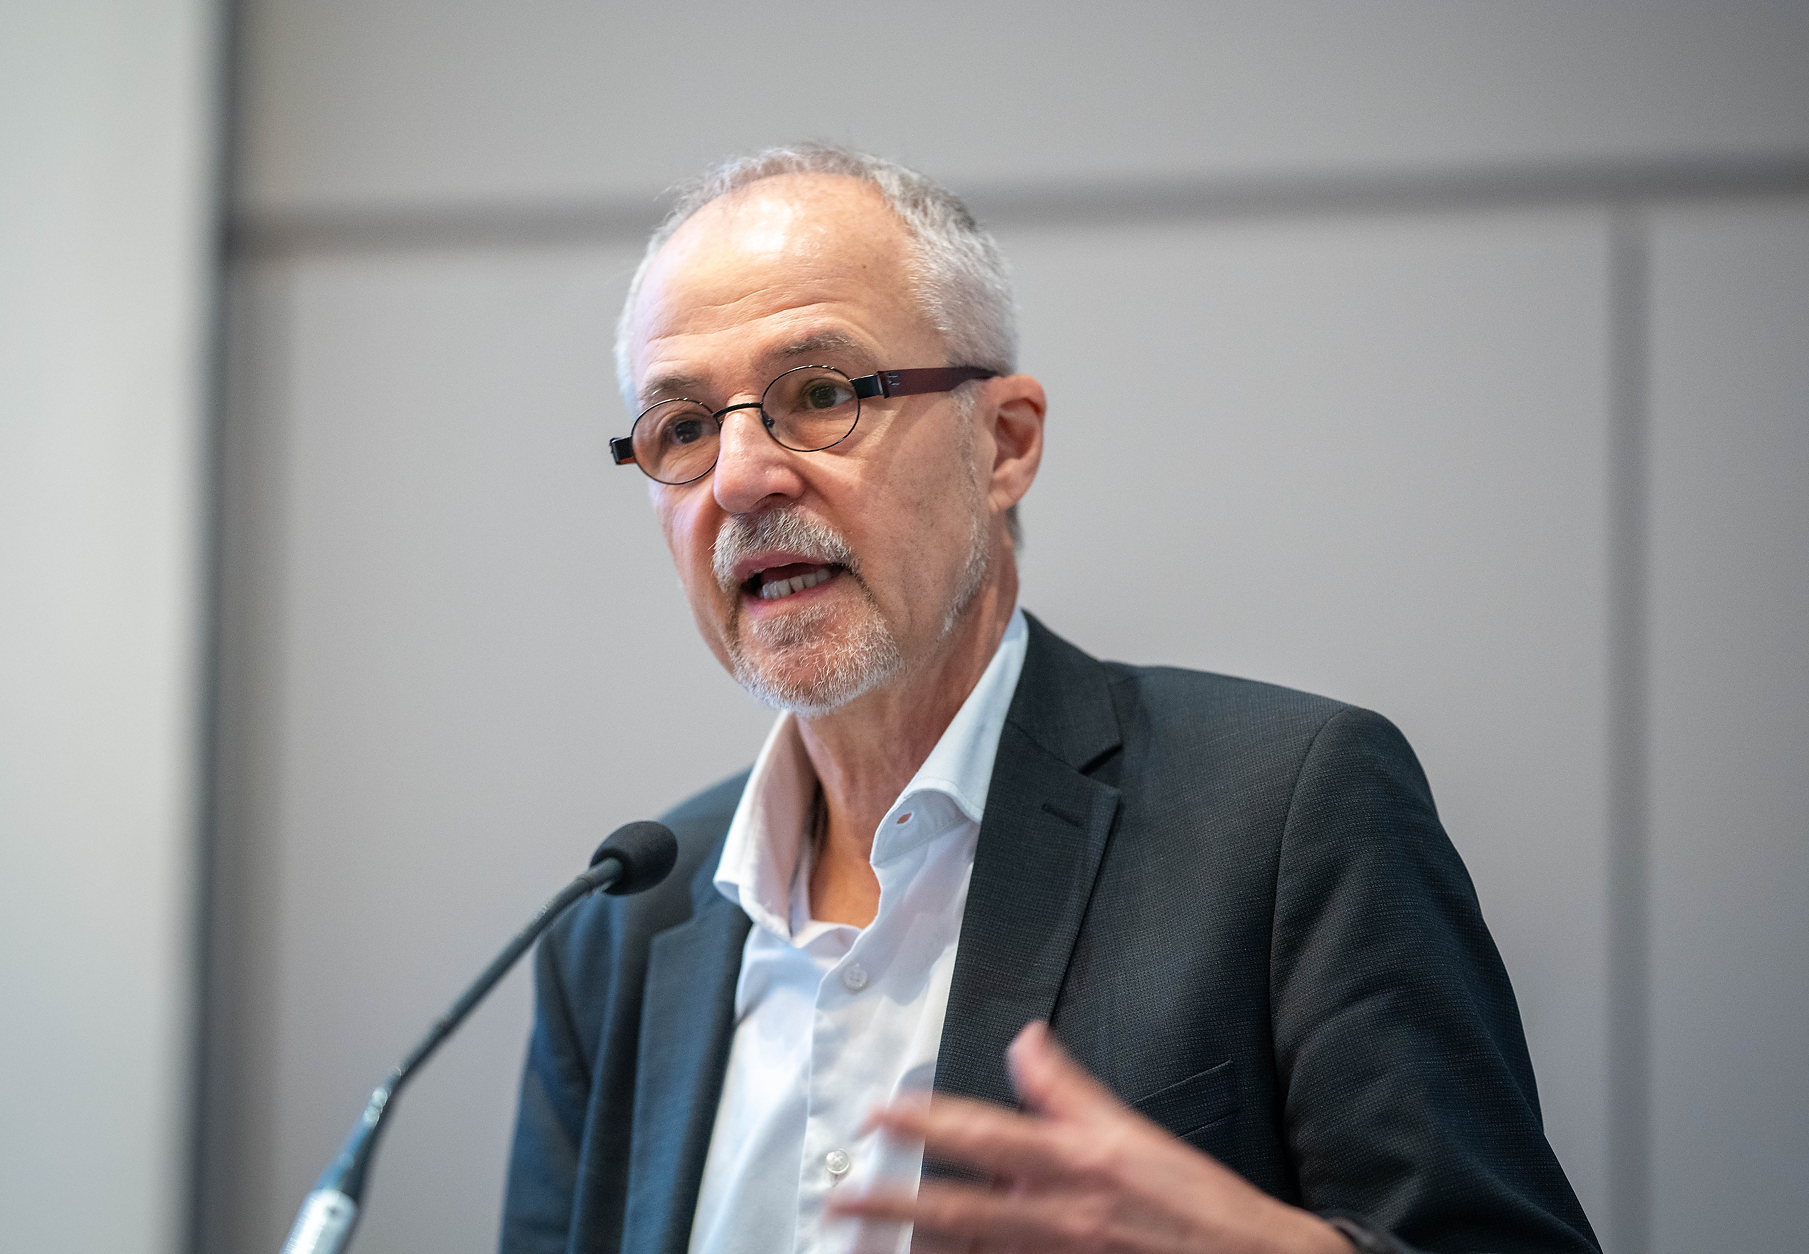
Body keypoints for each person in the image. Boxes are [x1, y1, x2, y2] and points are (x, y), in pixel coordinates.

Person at [500, 144, 1598, 1254]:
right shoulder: (616, 927)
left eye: (822, 393)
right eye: (684, 428)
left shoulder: (1288, 818)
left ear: (1004, 445)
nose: (739, 479)